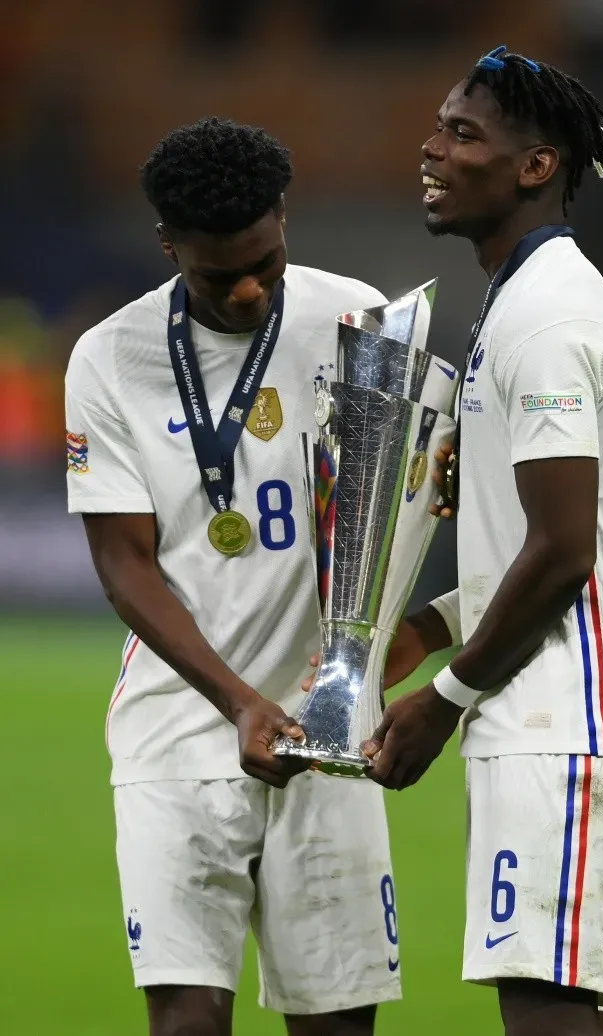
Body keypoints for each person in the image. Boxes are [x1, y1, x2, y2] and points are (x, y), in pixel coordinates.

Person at [362, 47, 603, 1036]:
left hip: (567, 715)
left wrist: (442, 702)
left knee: (543, 1006)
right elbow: (544, 543)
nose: (431, 148)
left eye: (462, 134)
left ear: (533, 166)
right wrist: (432, 621)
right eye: (437, 128)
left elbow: (565, 549)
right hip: (548, 713)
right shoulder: (517, 301)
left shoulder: (544, 315)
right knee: (543, 999)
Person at [64, 117, 401, 1036]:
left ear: (284, 217)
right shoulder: (109, 354)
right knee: (186, 1022)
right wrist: (236, 702)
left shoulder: (359, 322)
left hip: (325, 730)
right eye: (221, 276)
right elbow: (124, 565)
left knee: (336, 1023)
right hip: (176, 732)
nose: (252, 289)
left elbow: (402, 513)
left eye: (268, 262)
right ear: (168, 244)